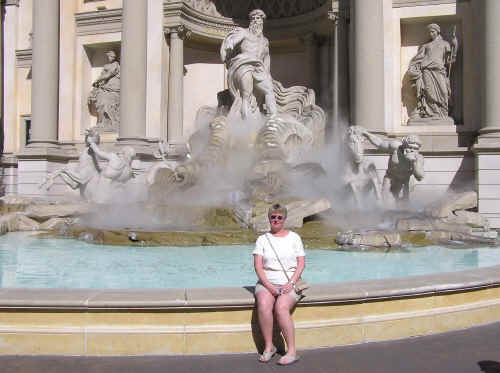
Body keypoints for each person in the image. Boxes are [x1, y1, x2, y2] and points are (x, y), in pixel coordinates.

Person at [252, 203, 305, 366]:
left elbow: (301, 263)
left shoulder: (294, 237)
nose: (276, 220)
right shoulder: (262, 239)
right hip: (267, 283)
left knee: (281, 308)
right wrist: (268, 286)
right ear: (269, 219)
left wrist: (291, 283)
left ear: (284, 219)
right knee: (263, 304)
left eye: (279, 217)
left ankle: (292, 351)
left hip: (289, 283)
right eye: (273, 217)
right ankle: (269, 346)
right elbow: (258, 266)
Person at [220, 9, 277, 119]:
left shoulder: (265, 41)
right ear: (250, 21)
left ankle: (273, 119)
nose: (255, 21)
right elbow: (235, 39)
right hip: (243, 65)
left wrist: (267, 74)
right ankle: (246, 123)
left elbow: (266, 58)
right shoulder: (244, 32)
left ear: (262, 21)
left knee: (269, 89)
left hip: (258, 68)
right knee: (246, 95)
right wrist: (231, 43)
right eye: (253, 19)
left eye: (258, 18)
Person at [407, 23, 457, 121]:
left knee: (443, 92)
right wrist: (414, 67)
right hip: (427, 71)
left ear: (438, 32)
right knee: (429, 92)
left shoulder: (445, 44)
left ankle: (442, 112)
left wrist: (455, 46)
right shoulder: (426, 46)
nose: (431, 34)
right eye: (429, 32)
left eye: (433, 32)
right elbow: (418, 59)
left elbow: (449, 61)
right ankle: (431, 112)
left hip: (439, 71)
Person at [362, 131, 425, 203]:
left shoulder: (419, 158)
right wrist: (366, 134)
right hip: (391, 177)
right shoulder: (395, 147)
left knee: (404, 206)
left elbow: (420, 177)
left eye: (415, 148)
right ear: (404, 145)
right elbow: (379, 143)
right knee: (386, 203)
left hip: (406, 181)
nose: (412, 150)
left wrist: (414, 162)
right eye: (410, 147)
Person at [88, 50, 121, 132]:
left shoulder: (115, 65)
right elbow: (103, 75)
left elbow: (108, 75)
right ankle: (101, 123)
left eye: (113, 56)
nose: (111, 58)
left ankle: (113, 123)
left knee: (109, 105)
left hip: (113, 88)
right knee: (101, 104)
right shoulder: (106, 65)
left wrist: (97, 80)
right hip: (104, 87)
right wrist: (98, 84)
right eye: (110, 56)